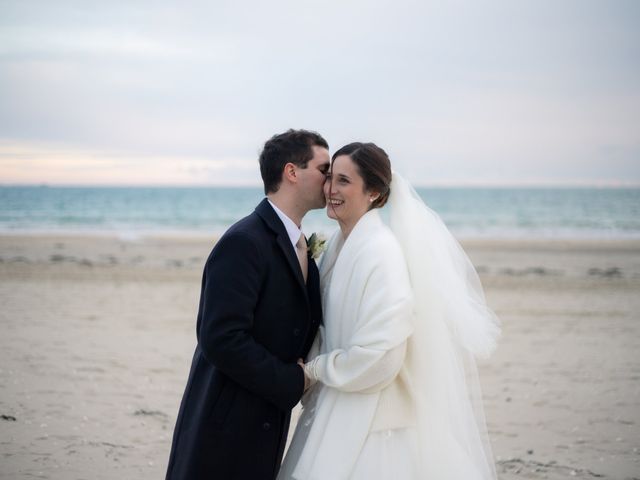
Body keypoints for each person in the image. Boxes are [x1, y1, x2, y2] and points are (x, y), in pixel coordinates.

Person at [278, 143, 500, 479]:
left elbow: (382, 356)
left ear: (375, 193)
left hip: (375, 418)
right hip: (339, 398)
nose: (331, 190)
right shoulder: (338, 246)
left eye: (344, 181)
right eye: (329, 178)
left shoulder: (381, 254)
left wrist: (316, 370)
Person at [165, 129, 330, 480]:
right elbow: (220, 337)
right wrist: (291, 381)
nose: (330, 180)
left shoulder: (301, 247)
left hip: (265, 421)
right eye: (324, 169)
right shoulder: (244, 241)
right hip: (225, 423)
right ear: (292, 172)